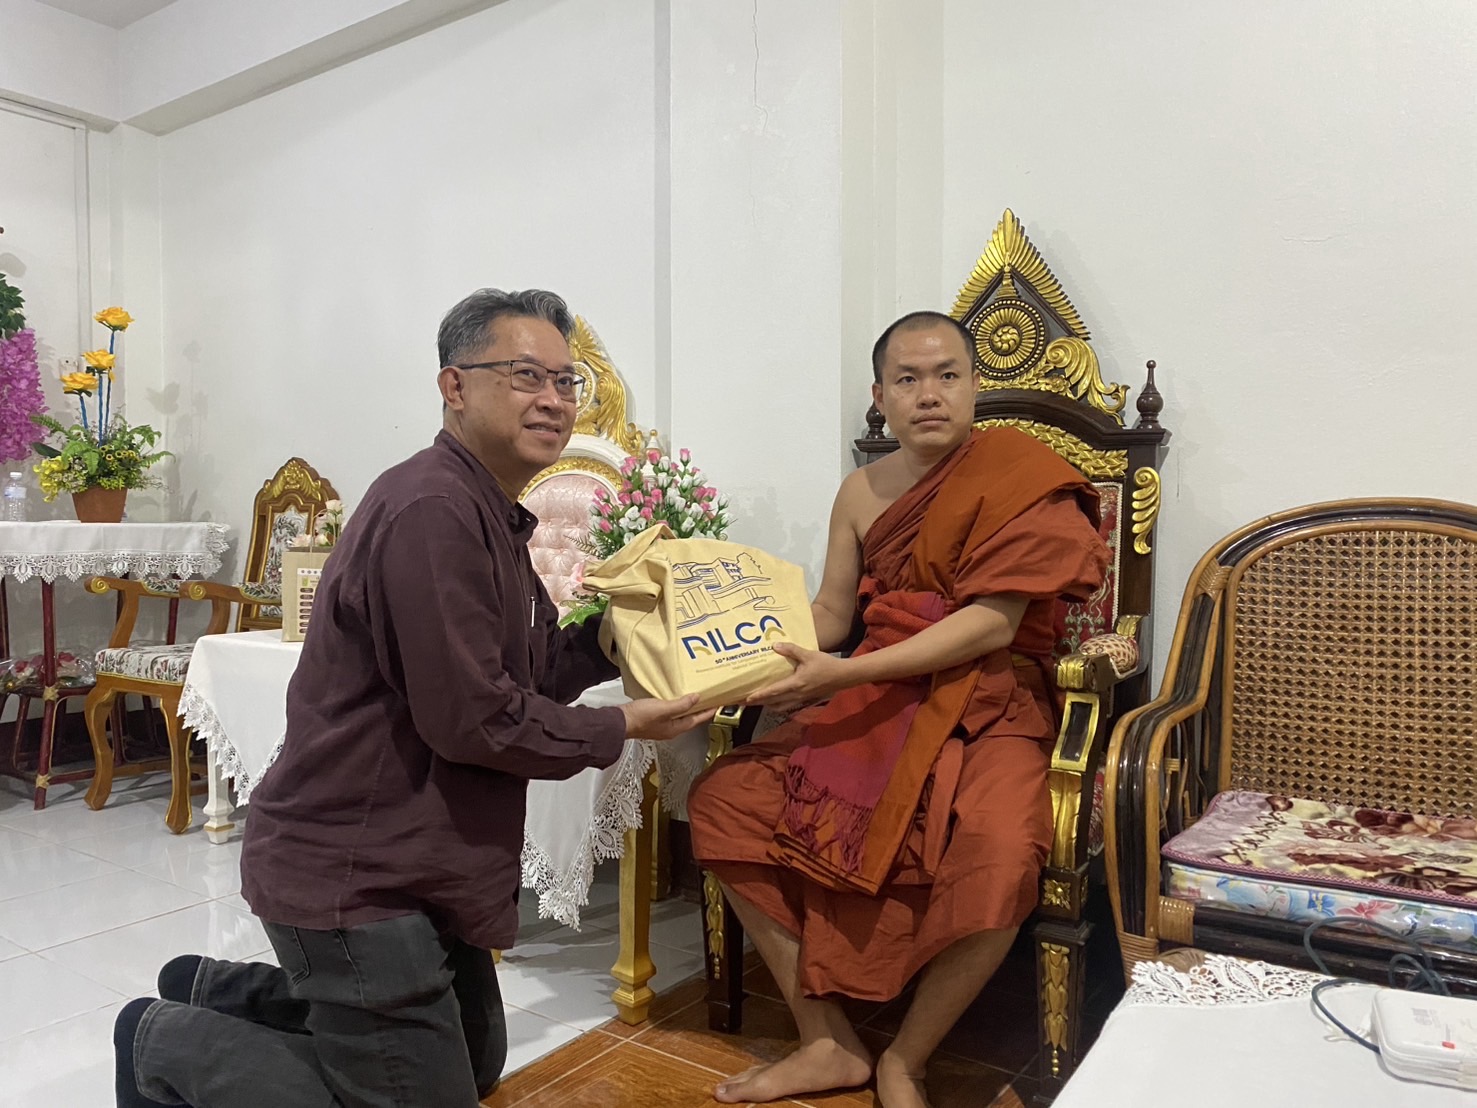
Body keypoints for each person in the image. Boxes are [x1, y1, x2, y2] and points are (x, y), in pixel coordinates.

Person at [114, 288, 712, 1108]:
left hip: (419, 857)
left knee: (475, 1063)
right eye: (526, 375)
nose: (553, 399)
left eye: (565, 380)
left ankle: (222, 993)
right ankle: (159, 1039)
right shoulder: (432, 509)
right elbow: (475, 721)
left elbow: (526, 665)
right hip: (355, 867)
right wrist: (622, 724)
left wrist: (611, 636)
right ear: (454, 386)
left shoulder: (487, 509)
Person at [687, 310, 1110, 1108]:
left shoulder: (1023, 474)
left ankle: (905, 1058)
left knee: (1000, 848)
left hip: (993, 699)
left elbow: (992, 624)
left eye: (947, 375)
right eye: (907, 380)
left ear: (975, 385)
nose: (929, 394)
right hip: (880, 692)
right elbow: (831, 613)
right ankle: (826, 1041)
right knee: (724, 800)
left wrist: (844, 674)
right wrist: (726, 656)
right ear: (880, 397)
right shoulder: (860, 491)